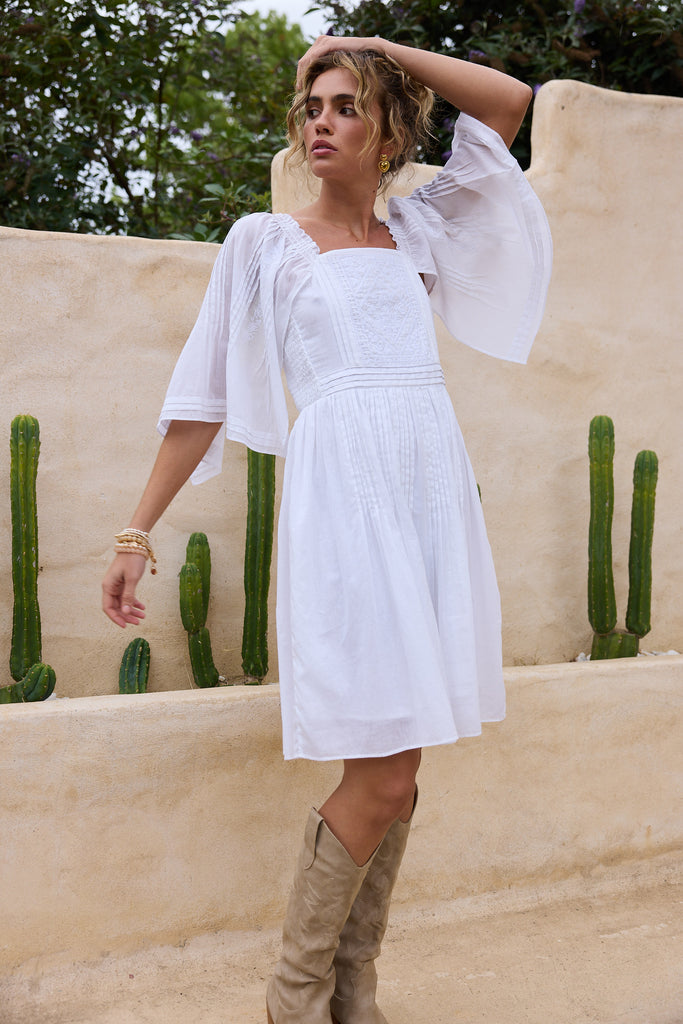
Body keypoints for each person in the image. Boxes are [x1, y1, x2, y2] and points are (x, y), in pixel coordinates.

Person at [102, 34, 552, 1024]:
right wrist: (136, 533)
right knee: (380, 773)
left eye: (346, 106)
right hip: (347, 509)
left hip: (426, 500)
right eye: (311, 107)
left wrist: (370, 44)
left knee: (402, 766)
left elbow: (508, 104)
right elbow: (202, 399)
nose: (320, 123)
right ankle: (295, 999)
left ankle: (351, 992)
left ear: (389, 134)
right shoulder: (264, 243)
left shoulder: (417, 231)